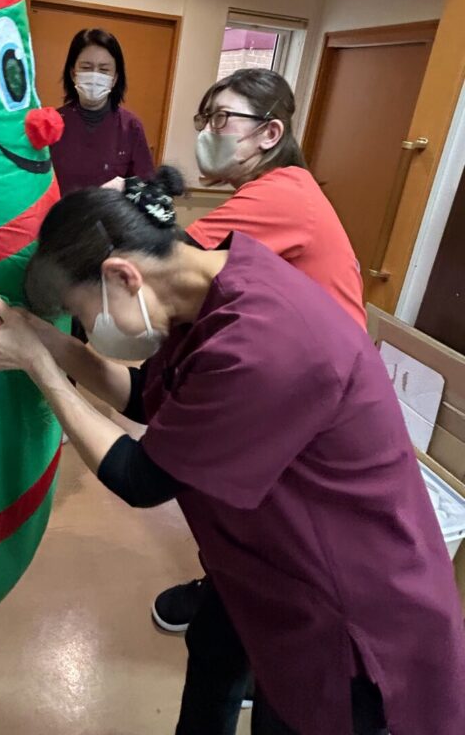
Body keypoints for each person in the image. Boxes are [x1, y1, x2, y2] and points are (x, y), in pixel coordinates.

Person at [0, 170, 465, 735]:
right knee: (215, 657)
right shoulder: (212, 284)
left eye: (85, 315)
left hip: (346, 605)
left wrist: (39, 368)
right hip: (259, 561)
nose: (90, 331)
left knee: (300, 714)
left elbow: (140, 477)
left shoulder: (264, 342)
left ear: (122, 275)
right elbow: (148, 397)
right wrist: (51, 341)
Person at [155, 67, 366, 639]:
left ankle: (247, 620)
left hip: (321, 390)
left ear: (270, 134)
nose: (208, 131)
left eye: (222, 118)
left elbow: (170, 263)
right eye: (205, 118)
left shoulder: (282, 194)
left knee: (269, 515)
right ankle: (227, 594)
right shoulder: (273, 190)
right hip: (306, 372)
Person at [49, 28, 154, 194]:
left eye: (104, 70)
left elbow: (146, 186)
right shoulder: (52, 124)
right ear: (73, 73)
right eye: (86, 67)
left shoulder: (130, 127)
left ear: (115, 78)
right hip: (61, 211)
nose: (94, 76)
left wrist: (128, 187)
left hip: (110, 211)